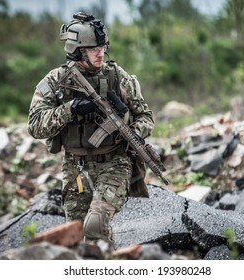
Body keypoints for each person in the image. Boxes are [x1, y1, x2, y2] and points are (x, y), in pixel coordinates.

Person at [27, 12, 154, 245]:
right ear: (77, 50)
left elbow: (146, 117)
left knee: (95, 225)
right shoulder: (56, 81)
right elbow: (35, 125)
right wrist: (70, 109)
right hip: (75, 168)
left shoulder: (117, 76)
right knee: (75, 238)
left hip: (114, 162)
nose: (100, 52)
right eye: (93, 48)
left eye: (103, 47)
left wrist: (133, 131)